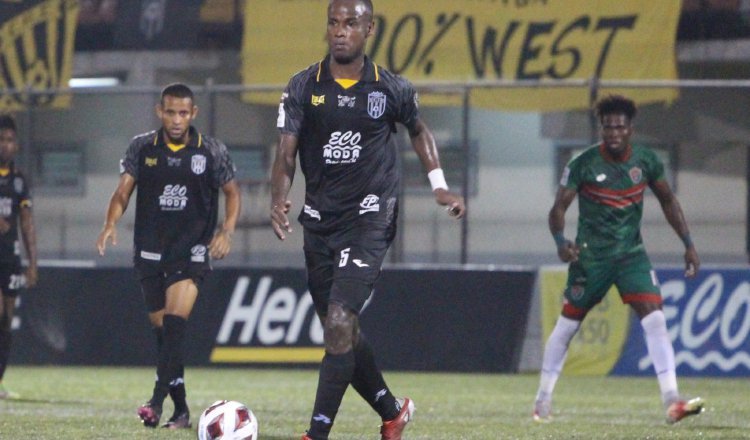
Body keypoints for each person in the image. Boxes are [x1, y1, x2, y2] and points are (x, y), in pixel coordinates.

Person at [270, 1, 466, 439]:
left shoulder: (389, 88)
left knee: (339, 321)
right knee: (342, 332)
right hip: (319, 221)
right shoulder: (304, 85)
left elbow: (418, 129)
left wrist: (438, 184)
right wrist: (279, 198)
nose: (340, 31)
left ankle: (316, 433)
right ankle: (392, 413)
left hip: (370, 218)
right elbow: (285, 151)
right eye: (334, 23)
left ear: (369, 29)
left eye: (351, 24)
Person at [533, 94, 704, 424]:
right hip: (591, 258)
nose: (613, 133)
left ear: (630, 129)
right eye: (607, 127)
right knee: (568, 325)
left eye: (619, 127)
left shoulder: (647, 162)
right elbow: (557, 209)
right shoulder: (583, 164)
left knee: (654, 316)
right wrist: (560, 242)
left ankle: (672, 399)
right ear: (601, 129)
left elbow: (669, 202)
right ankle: (542, 399)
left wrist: (689, 244)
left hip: (631, 255)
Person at [96, 83, 240, 429]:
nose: (176, 120)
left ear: (193, 114)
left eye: (183, 113)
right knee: (164, 337)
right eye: (170, 112)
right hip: (149, 251)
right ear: (160, 112)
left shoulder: (212, 151)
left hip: (190, 252)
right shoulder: (142, 147)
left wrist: (226, 231)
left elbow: (233, 193)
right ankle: (182, 410)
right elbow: (122, 192)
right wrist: (109, 223)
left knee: (174, 330)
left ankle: (156, 403)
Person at [0, 114, 37, 400]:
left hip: (10, 258)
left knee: (6, 322)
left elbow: (26, 222)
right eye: (2, 139)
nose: (6, 145)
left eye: (10, 140)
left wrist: (32, 262)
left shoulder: (19, 180)